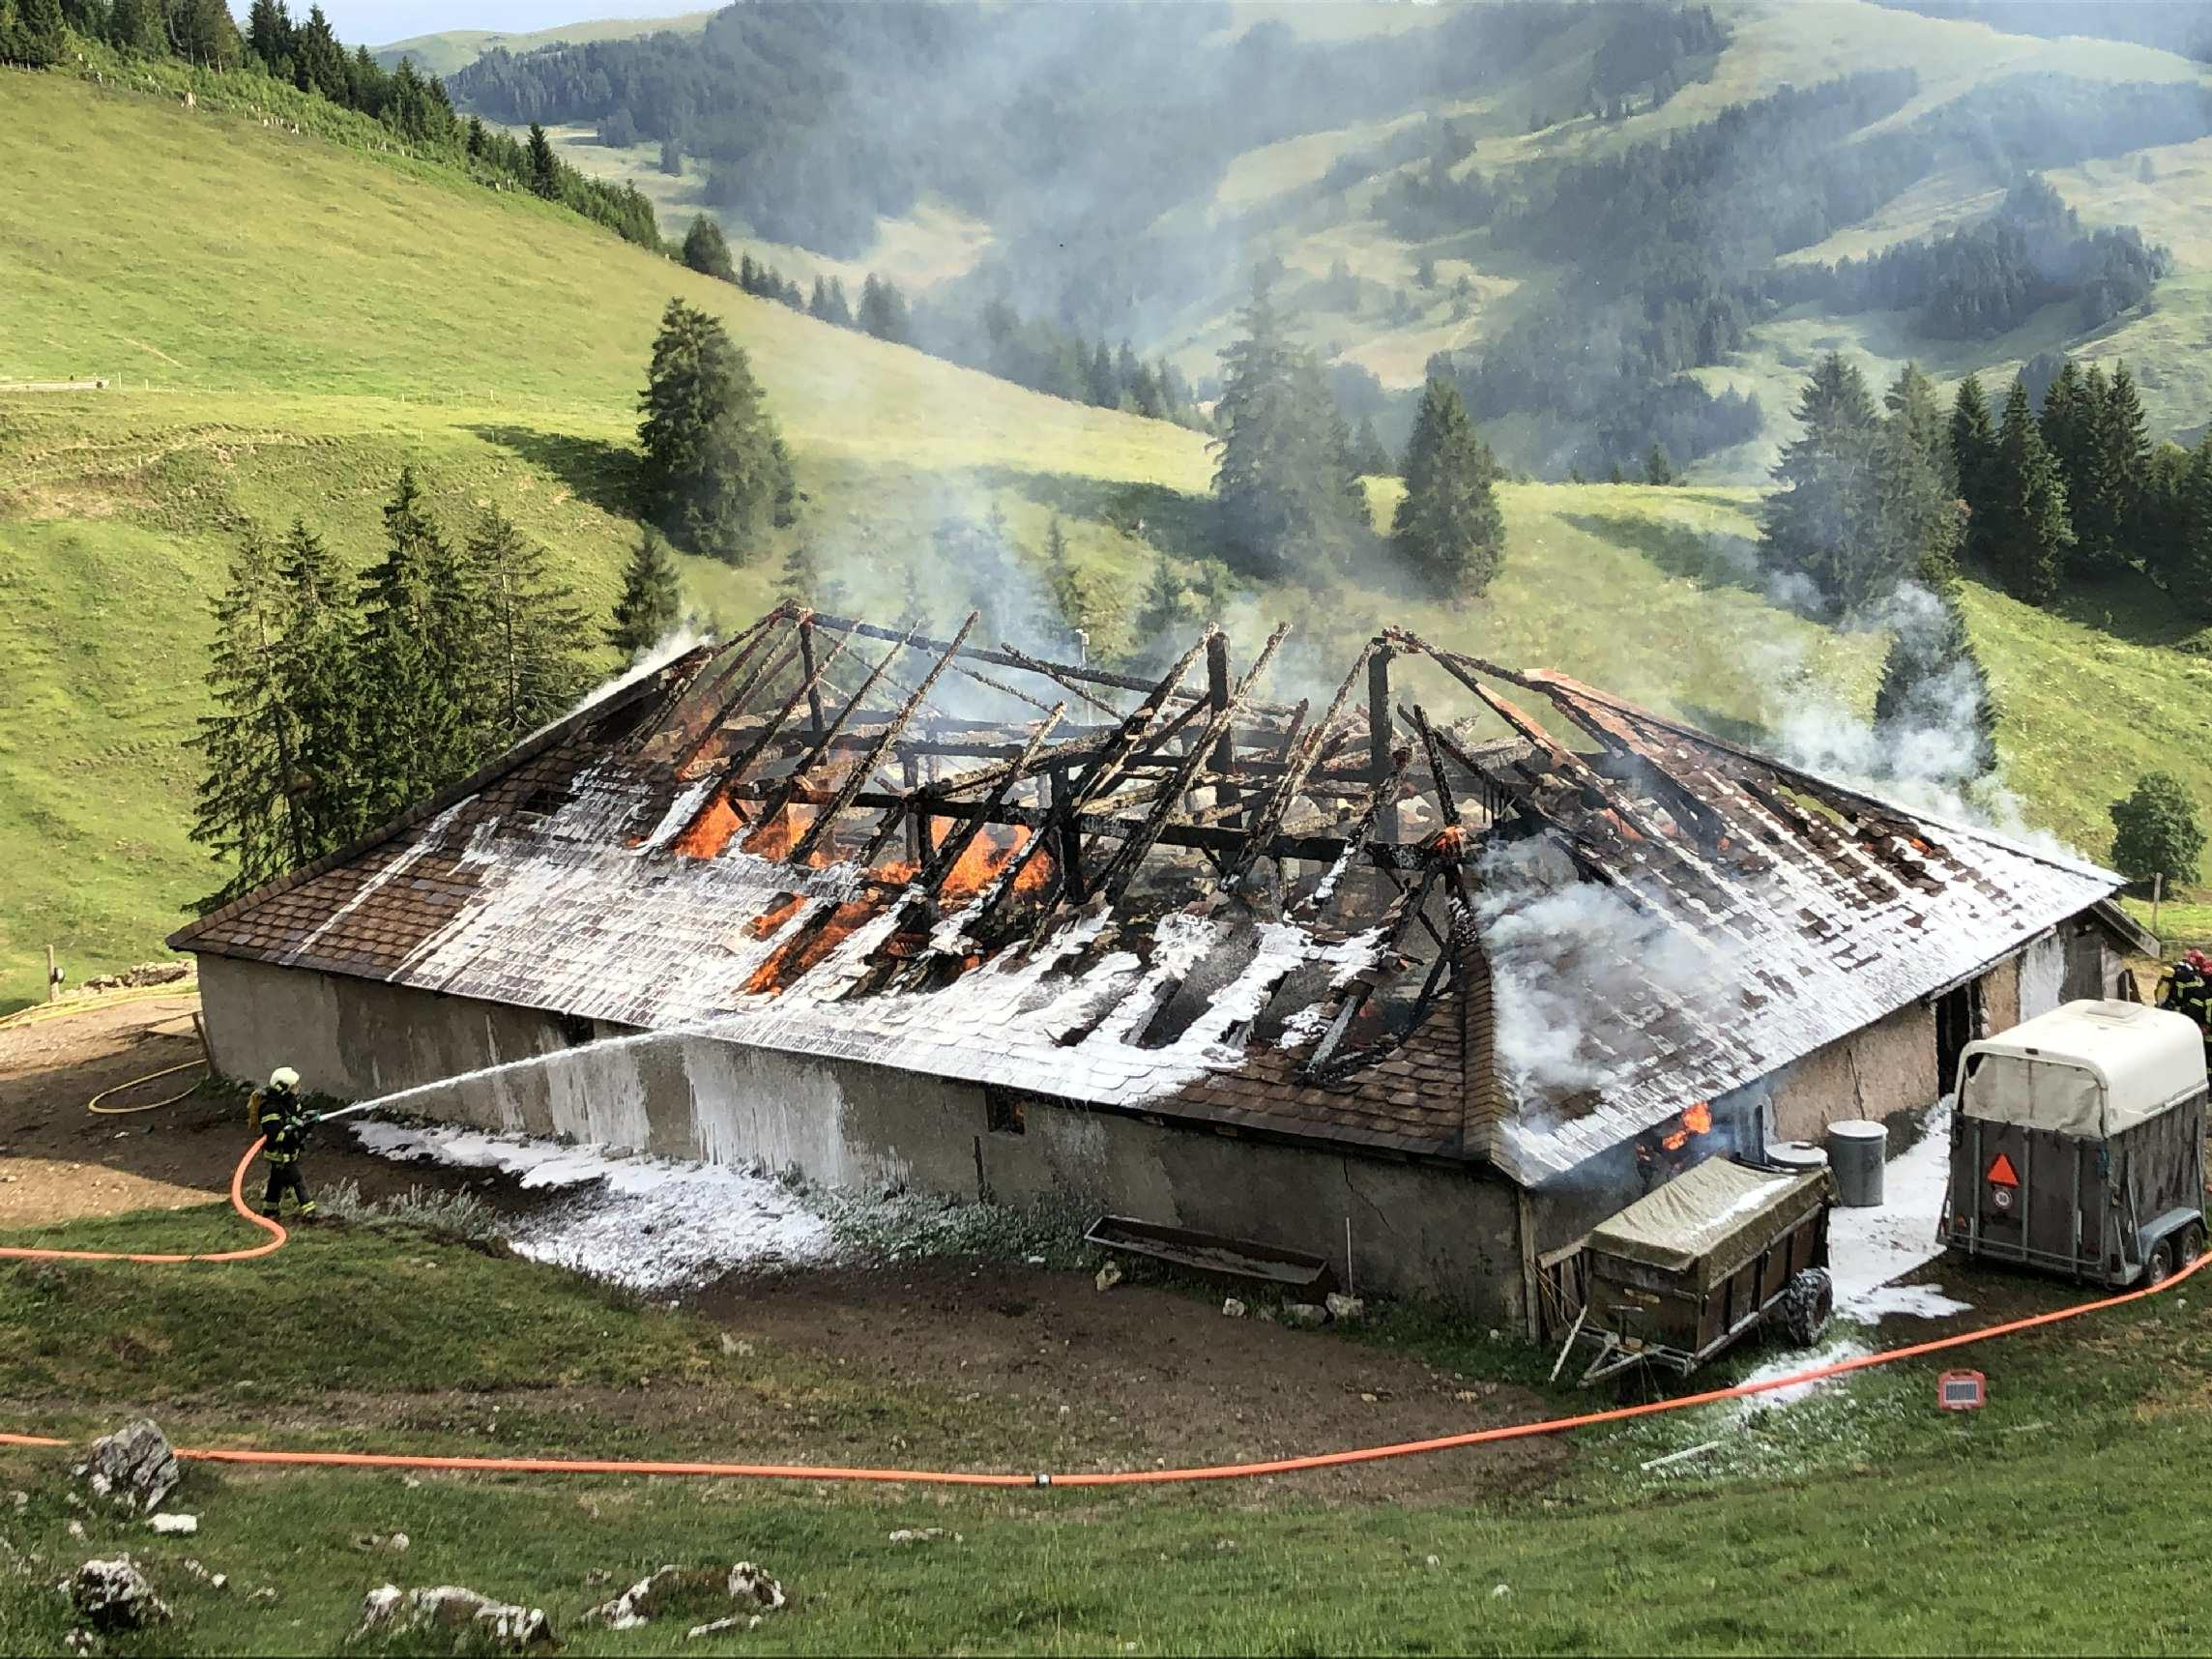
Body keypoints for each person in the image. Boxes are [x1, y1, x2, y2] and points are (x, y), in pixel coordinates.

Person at [247, 1065, 317, 1220]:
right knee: (297, 1180)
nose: (297, 1088)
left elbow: (296, 1120)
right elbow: (274, 1136)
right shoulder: (270, 1109)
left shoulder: (291, 1102)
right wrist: (291, 1132)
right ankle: (309, 1211)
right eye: (294, 1086)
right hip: (279, 1153)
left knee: (276, 1182)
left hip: (289, 1150)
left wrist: (307, 1121)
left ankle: (270, 1210)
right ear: (283, 1088)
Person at [2158, 949, 2211, 1038]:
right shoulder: (2190, 975)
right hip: (2181, 1008)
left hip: (2169, 1005)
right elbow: (2192, 993)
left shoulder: (2176, 968)